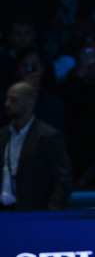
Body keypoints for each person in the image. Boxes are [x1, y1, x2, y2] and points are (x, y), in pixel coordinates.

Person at [0, 81, 72, 211]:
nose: (7, 104)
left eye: (13, 99)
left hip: (34, 212)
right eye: (7, 98)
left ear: (30, 103)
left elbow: (63, 180)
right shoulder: (2, 135)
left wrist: (51, 213)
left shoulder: (48, 136)